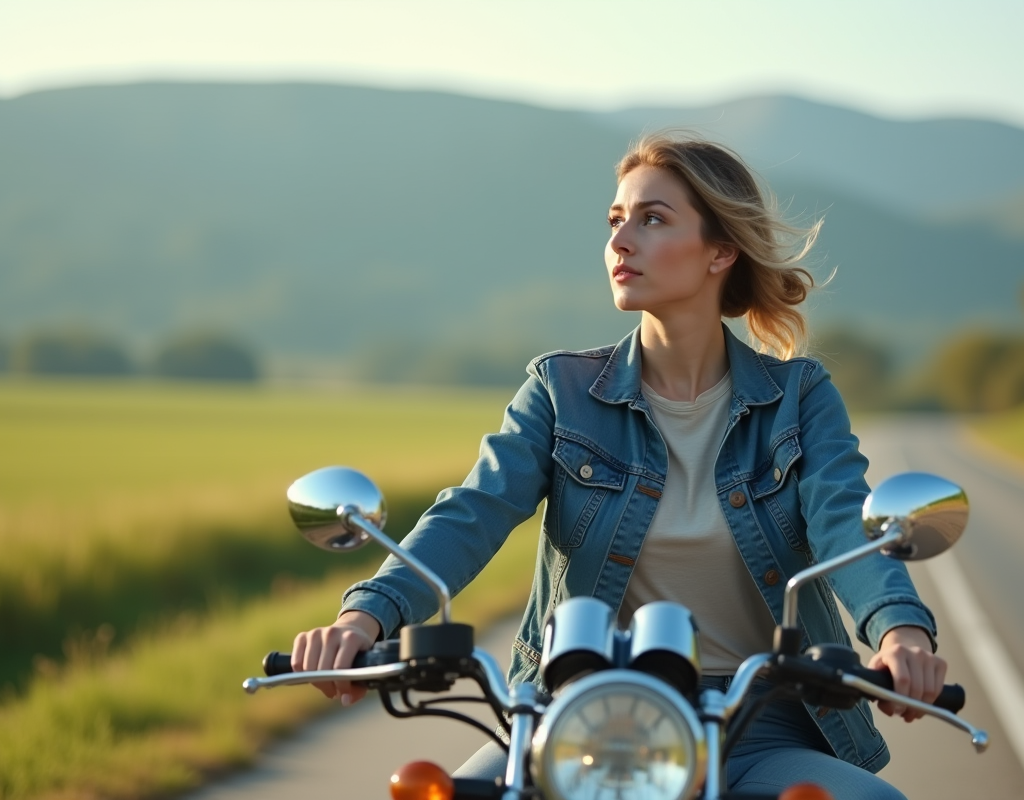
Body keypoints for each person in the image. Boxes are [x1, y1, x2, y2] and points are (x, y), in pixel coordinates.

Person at [291, 133, 947, 799]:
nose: (620, 241)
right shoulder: (560, 391)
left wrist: (901, 632)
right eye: (615, 220)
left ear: (721, 250)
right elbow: (474, 509)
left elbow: (844, 518)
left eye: (652, 219)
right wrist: (364, 619)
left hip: (759, 724)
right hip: (577, 714)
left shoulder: (799, 399)